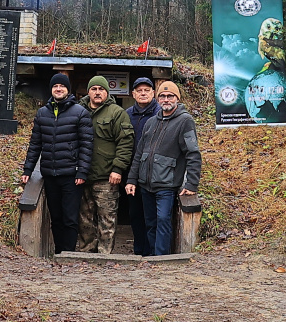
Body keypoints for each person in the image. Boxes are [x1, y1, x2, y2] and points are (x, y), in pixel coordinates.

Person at [125, 81, 201, 257]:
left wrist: (191, 184)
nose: (166, 99)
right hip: (146, 184)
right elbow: (139, 154)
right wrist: (131, 179)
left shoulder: (185, 121)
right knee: (150, 222)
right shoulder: (151, 122)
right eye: (163, 96)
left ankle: (161, 258)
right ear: (158, 99)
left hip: (166, 184)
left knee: (163, 220)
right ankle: (152, 256)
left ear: (177, 98)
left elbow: (193, 154)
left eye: (170, 96)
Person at [22, 74, 93, 254]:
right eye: (55, 86)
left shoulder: (80, 113)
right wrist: (28, 169)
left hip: (71, 175)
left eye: (62, 86)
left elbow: (86, 145)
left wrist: (82, 172)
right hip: (50, 174)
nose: (59, 89)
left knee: (70, 218)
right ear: (51, 89)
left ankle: (68, 253)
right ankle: (59, 251)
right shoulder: (42, 113)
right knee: (56, 217)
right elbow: (35, 143)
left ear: (68, 89)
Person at [77, 76, 134, 254]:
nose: (97, 92)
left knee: (106, 218)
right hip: (82, 175)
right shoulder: (78, 111)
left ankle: (104, 254)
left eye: (101, 89)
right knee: (84, 218)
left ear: (107, 92)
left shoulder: (117, 113)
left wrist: (118, 169)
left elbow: (126, 142)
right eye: (93, 89)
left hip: (106, 177)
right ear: (88, 92)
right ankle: (87, 251)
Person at [125, 77, 160, 255]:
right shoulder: (127, 114)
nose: (143, 93)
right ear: (133, 94)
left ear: (153, 93)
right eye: (139, 90)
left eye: (147, 90)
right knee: (135, 214)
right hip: (132, 173)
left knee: (151, 216)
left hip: (154, 173)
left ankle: (151, 252)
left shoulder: (160, 113)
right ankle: (138, 250)